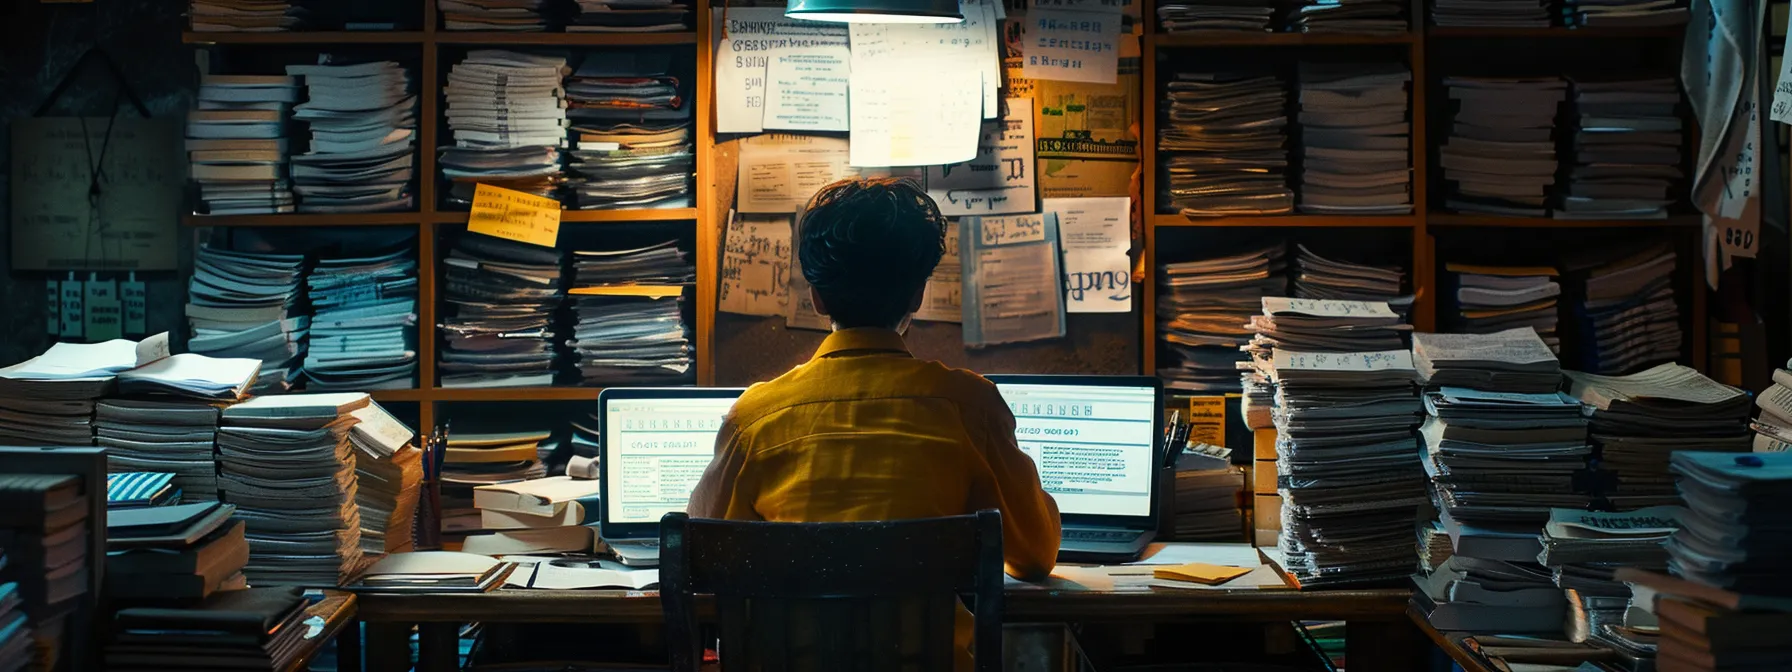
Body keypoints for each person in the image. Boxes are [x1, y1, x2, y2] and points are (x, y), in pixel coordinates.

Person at [687, 178, 1061, 667]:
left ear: (817, 297)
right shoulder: (970, 408)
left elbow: (701, 551)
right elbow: (1034, 556)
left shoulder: (755, 418)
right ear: (919, 294)